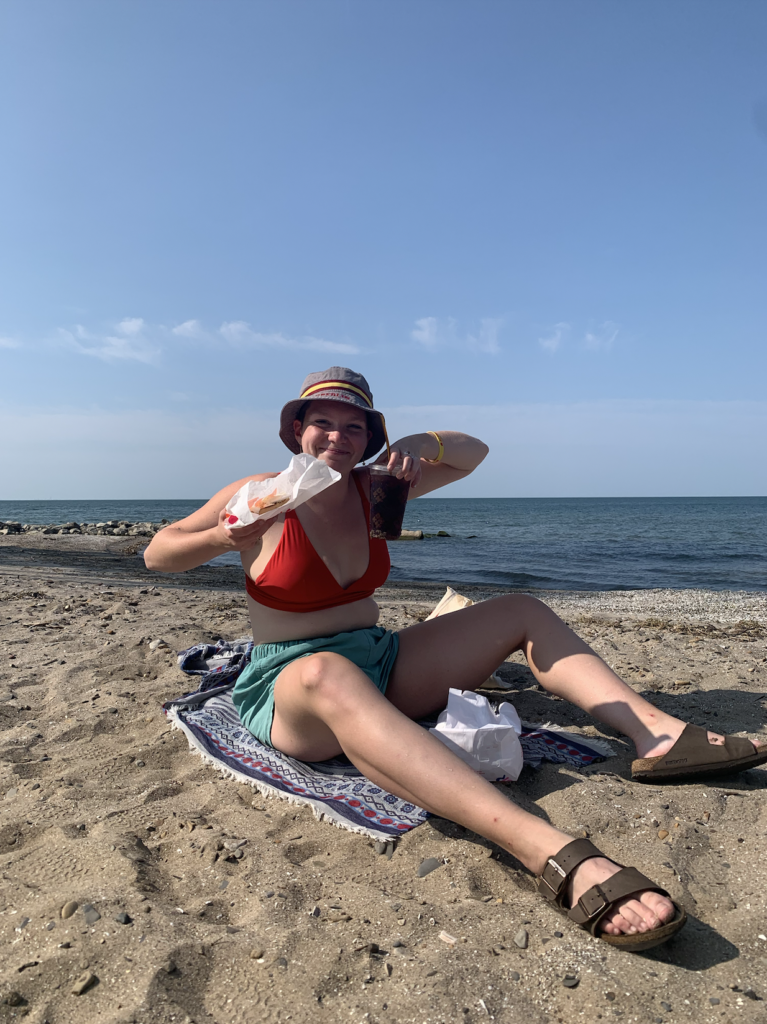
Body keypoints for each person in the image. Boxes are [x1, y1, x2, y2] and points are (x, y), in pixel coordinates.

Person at [145, 366, 765, 952]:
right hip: (294, 684)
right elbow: (158, 553)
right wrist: (225, 537)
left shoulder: (377, 487)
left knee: (519, 607)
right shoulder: (258, 494)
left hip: (380, 662)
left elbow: (473, 455)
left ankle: (655, 735)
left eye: (354, 426)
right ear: (297, 430)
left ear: (371, 437)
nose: (337, 436)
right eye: (323, 423)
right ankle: (542, 847)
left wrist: (419, 441)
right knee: (326, 672)